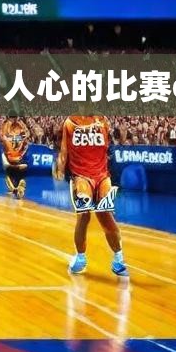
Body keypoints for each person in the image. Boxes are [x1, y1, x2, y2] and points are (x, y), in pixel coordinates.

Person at [54, 114, 127, 277]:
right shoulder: (70, 122)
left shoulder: (103, 120)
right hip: (80, 176)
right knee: (84, 215)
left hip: (102, 176)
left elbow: (112, 147)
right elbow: (64, 150)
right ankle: (80, 257)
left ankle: (119, 258)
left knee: (105, 215)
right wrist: (60, 169)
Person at [0, 115, 30, 199]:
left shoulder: (6, 128)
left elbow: (3, 137)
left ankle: (15, 189)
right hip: (17, 160)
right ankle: (18, 188)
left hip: (11, 160)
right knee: (19, 176)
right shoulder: (20, 129)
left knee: (10, 175)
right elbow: (27, 135)